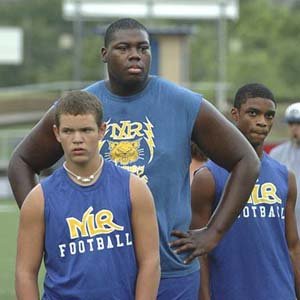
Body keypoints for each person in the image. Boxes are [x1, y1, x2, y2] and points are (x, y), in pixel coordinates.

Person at [9, 18, 260, 299]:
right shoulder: (81, 106)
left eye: (143, 48)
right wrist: (48, 224)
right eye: (123, 48)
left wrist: (213, 232)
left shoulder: (183, 103)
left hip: (169, 270)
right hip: (102, 276)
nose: (135, 55)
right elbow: (21, 162)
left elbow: (246, 161)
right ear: (104, 54)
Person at [15, 90, 160, 300]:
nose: (77, 139)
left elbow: (150, 261)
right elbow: (25, 273)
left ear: (102, 130)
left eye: (86, 130)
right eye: (68, 131)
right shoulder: (39, 199)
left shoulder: (133, 188)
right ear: (56, 133)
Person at [172, 83, 300, 300]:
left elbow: (293, 247)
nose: (262, 122)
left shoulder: (285, 177)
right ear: (235, 114)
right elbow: (197, 254)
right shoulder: (208, 178)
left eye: (269, 116)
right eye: (253, 113)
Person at [270, 102, 300, 231]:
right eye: (291, 124)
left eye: (298, 124)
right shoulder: (277, 153)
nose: (294, 128)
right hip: (288, 224)